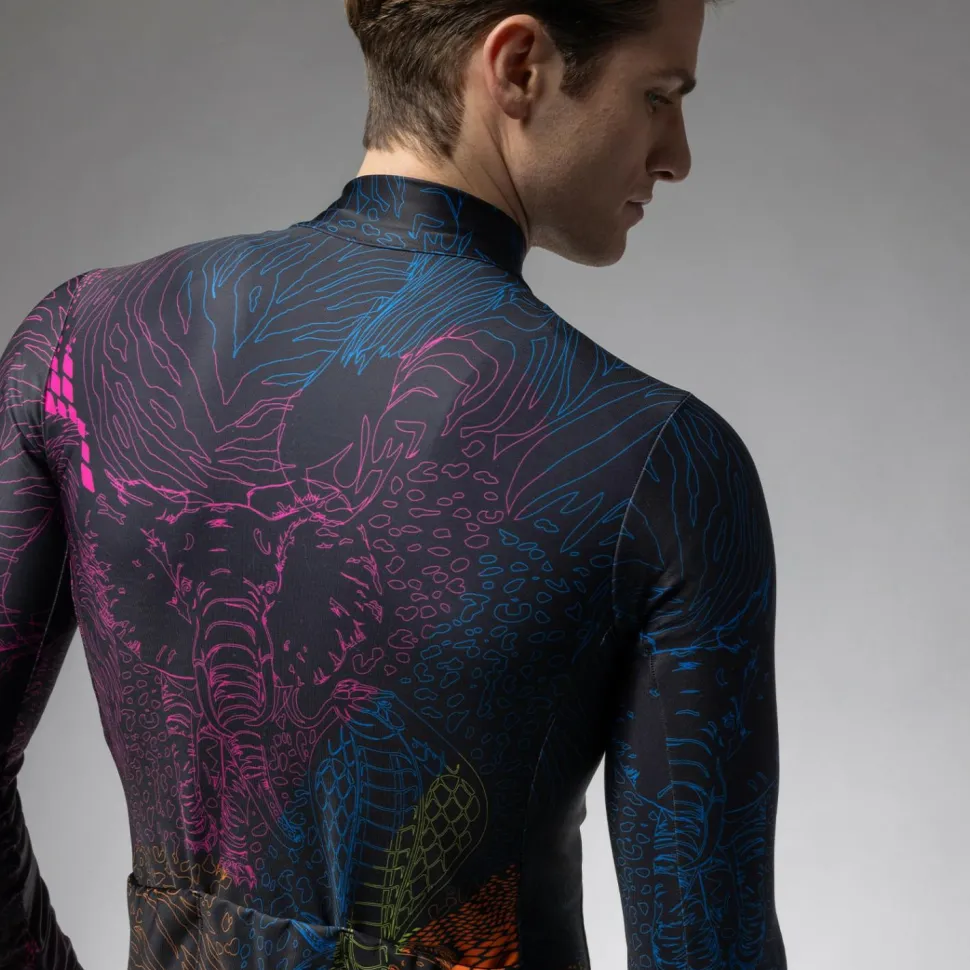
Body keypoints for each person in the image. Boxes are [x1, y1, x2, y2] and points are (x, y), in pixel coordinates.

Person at [0, 0, 787, 967]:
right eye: (659, 95)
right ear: (519, 65)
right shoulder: (665, 465)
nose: (678, 155)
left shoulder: (77, 343)